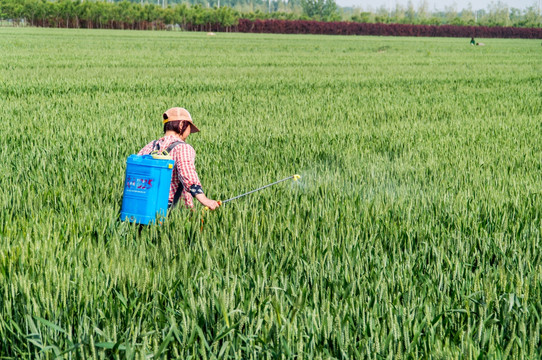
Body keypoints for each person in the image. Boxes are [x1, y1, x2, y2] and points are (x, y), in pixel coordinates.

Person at [138, 107, 220, 210]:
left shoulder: (150, 146)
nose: (189, 133)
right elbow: (187, 174)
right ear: (181, 125)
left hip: (143, 205)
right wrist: (205, 200)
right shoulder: (182, 148)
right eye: (189, 128)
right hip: (169, 210)